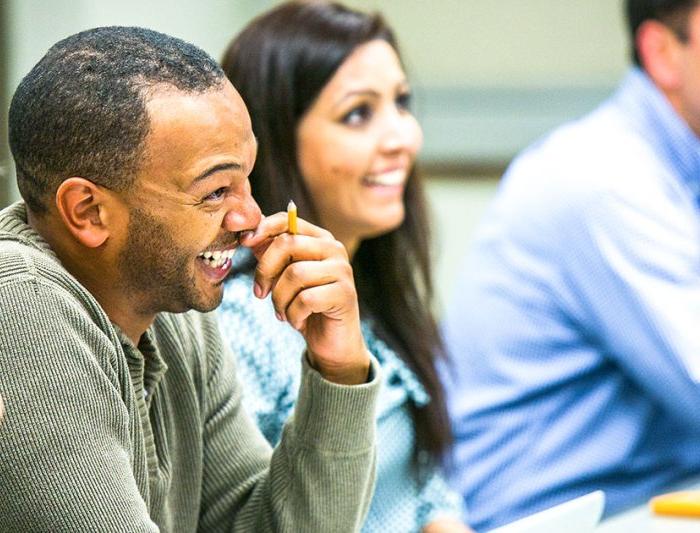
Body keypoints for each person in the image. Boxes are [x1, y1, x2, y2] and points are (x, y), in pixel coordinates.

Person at [0, 25, 383, 531]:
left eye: (248, 178)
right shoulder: (20, 309)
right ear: (88, 211)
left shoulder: (170, 305)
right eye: (216, 191)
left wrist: (339, 368)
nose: (250, 218)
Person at [442, 0, 700, 530]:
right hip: (548, 515)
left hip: (646, 497)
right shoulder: (607, 180)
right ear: (662, 53)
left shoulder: (671, 168)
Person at [217, 2, 468, 532]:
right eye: (359, 113)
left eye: (402, 103)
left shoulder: (375, 287)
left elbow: (427, 490)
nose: (402, 137)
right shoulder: (243, 318)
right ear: (274, 137)